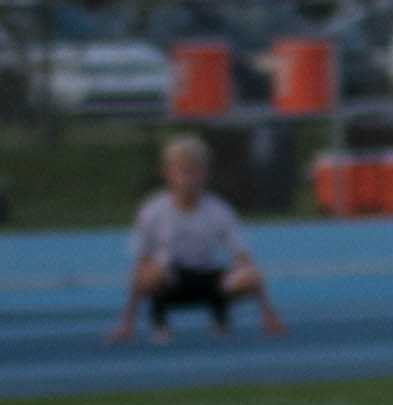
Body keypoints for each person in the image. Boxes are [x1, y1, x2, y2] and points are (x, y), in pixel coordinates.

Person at [112, 131, 285, 341]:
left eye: (196, 171)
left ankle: (231, 317)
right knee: (146, 275)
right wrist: (126, 320)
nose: (190, 179)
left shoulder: (219, 210)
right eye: (184, 171)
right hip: (170, 279)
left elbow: (241, 254)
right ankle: (158, 320)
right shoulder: (153, 211)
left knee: (251, 276)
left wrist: (263, 304)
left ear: (205, 174)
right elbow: (141, 260)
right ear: (168, 173)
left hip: (208, 278)